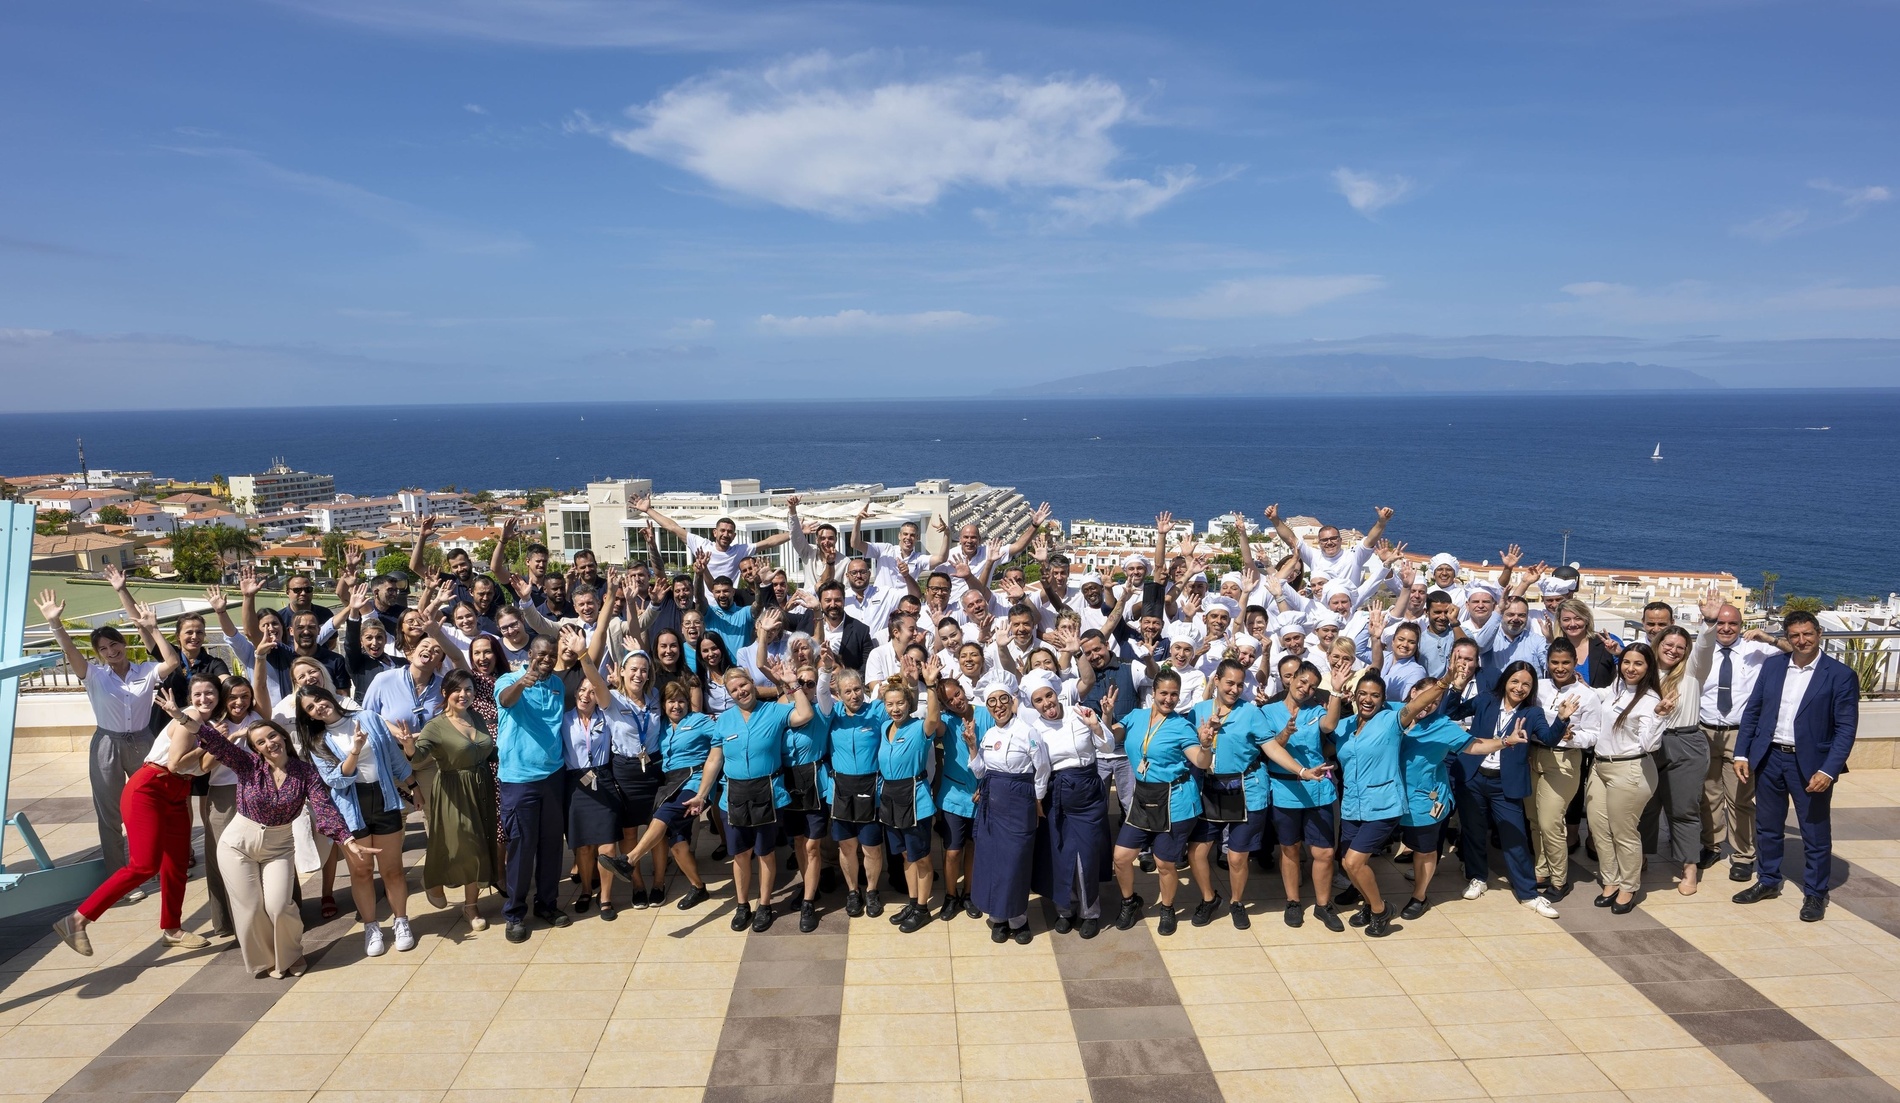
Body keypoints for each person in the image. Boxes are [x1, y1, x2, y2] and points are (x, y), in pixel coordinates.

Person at [195, 718, 370, 977]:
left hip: (278, 845)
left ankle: (290, 954)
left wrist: (346, 839)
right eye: (260, 742)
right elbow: (218, 744)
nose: (269, 743)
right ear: (255, 749)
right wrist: (182, 717)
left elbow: (324, 807)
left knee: (279, 906)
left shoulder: (305, 772)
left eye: (272, 736)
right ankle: (266, 959)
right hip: (238, 844)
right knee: (250, 908)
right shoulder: (247, 765)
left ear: (283, 736)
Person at [51, 678, 212, 957]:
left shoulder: (212, 726)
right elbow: (176, 763)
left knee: (176, 865)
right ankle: (77, 920)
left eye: (210, 692)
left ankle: (172, 930)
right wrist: (213, 744)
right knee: (144, 865)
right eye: (198, 693)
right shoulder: (192, 717)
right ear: (190, 696)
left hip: (177, 791)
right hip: (150, 788)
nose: (204, 698)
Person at [37, 584, 180, 889]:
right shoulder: (94, 675)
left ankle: (151, 868)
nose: (111, 651)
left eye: (114, 644)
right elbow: (70, 651)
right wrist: (55, 623)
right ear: (98, 652)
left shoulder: (146, 670)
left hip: (143, 742)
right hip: (106, 745)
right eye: (103, 648)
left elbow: (173, 663)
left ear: (123, 643)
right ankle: (119, 879)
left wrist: (153, 629)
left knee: (147, 808)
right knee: (110, 814)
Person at [1733, 611, 1859, 922]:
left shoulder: (1840, 675)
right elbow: (1753, 712)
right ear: (1787, 637)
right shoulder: (1774, 666)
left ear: (1819, 634)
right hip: (1769, 758)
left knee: (1814, 831)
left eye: (1807, 634)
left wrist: (1829, 770)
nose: (1801, 641)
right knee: (1768, 826)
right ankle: (1768, 880)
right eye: (1795, 635)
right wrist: (1741, 754)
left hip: (1812, 765)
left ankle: (1815, 893)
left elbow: (1846, 728)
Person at [1393, 677, 1533, 919]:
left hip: (1424, 798)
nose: (1429, 705)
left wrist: (1506, 741)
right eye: (1426, 698)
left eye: (1436, 701)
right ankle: (1357, 888)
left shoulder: (1443, 725)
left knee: (1424, 851)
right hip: (1386, 793)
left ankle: (1419, 896)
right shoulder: (1392, 712)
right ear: (1413, 691)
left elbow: (1475, 746)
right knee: (1365, 845)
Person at [298, 685, 419, 955]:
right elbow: (336, 780)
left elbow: (392, 756)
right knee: (361, 872)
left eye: (319, 698)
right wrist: (354, 750)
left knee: (393, 870)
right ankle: (371, 927)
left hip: (385, 797)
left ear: (329, 696)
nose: (318, 706)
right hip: (351, 807)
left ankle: (401, 921)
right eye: (310, 707)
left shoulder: (368, 718)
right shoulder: (317, 742)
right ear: (310, 716)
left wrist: (413, 784)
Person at [1325, 669, 1446, 937]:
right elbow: (1326, 729)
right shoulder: (1344, 726)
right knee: (1347, 863)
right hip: (1352, 805)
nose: (1368, 699)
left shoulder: (1392, 721)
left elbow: (1417, 704)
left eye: (1375, 695)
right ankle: (1369, 904)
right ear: (1355, 696)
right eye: (1363, 694)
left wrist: (1446, 681)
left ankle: (1380, 910)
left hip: (1383, 805)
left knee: (1355, 862)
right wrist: (1334, 691)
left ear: (1383, 699)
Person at [1446, 660, 1566, 919]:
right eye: (1515, 681)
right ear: (1505, 681)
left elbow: (1548, 738)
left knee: (1515, 838)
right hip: (1474, 776)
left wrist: (1562, 720)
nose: (1519, 688)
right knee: (1473, 830)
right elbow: (1451, 712)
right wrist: (1456, 687)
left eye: (1526, 684)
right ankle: (1477, 877)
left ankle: (1529, 893)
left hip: (1505, 783)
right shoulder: (1486, 700)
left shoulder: (1532, 713)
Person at [701, 662, 816, 932]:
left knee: (765, 853)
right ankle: (743, 905)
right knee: (740, 854)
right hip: (734, 794)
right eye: (734, 689)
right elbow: (714, 760)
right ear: (729, 694)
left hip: (768, 791)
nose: (741, 691)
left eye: (744, 685)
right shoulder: (724, 720)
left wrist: (792, 684)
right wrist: (701, 794)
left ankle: (764, 905)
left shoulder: (774, 711)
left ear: (753, 685)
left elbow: (805, 714)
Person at [1110, 670, 1215, 935]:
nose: (1169, 699)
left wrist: (1205, 744)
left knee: (1165, 863)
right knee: (1121, 857)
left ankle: (1167, 908)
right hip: (1144, 797)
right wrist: (1106, 715)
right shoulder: (1136, 717)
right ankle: (1129, 901)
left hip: (1176, 798)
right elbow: (1112, 736)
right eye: (1164, 693)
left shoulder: (1182, 726)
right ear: (1153, 694)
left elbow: (1201, 763)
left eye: (1174, 694)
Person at [494, 632, 580, 943]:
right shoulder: (508, 680)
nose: (546, 660)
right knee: (521, 847)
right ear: (531, 654)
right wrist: (522, 682)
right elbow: (505, 700)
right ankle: (515, 913)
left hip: (552, 776)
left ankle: (547, 903)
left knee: (551, 845)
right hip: (518, 780)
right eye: (541, 654)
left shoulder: (557, 685)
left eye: (551, 655)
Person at [602, 681, 715, 911]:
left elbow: (723, 738)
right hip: (670, 783)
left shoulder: (700, 721)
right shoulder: (661, 726)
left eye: (681, 701)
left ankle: (629, 860)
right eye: (671, 701)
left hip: (693, 781)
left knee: (662, 815)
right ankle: (698, 887)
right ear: (663, 705)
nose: (677, 706)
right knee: (677, 844)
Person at [1025, 668, 1113, 937]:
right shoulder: (1035, 729)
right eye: (1038, 700)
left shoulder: (1080, 714)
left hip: (1087, 791)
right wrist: (1039, 798)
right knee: (1060, 854)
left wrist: (1095, 726)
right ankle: (1065, 909)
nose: (1046, 704)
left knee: (1086, 854)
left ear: (1056, 693)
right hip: (1056, 793)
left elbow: (1107, 747)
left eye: (1048, 696)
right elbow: (1039, 768)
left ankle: (1090, 912)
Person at [409, 671, 500, 930]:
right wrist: (408, 746)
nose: (464, 695)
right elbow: (417, 759)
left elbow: (487, 750)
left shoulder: (478, 718)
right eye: (457, 690)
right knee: (462, 845)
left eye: (469, 689)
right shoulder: (435, 726)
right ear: (445, 693)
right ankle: (434, 881)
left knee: (480, 846)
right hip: (453, 790)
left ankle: (471, 905)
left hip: (481, 786)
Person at [1700, 599, 1783, 883]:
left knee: (1741, 798)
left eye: (1732, 623)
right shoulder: (1702, 648)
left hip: (1741, 734)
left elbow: (1798, 652)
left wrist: (1769, 637)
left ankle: (1743, 855)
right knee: (1708, 794)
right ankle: (1711, 845)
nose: (1726, 628)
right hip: (1704, 731)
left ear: (1741, 625)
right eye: (1720, 622)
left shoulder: (1756, 649)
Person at [968, 674, 1051, 944]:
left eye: (1003, 699)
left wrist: (1037, 799)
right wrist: (971, 747)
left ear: (1012, 701)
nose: (998, 706)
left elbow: (1042, 768)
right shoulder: (989, 734)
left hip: (1020, 801)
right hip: (993, 803)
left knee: (1015, 862)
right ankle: (998, 918)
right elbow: (982, 771)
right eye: (992, 703)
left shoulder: (1028, 731)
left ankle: (1019, 918)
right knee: (992, 863)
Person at [1259, 662, 1341, 930]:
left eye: (1312, 686)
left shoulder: (1316, 711)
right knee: (1290, 849)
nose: (1305, 688)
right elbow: (1271, 747)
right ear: (1291, 678)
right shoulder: (1268, 712)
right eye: (1302, 681)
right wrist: (1285, 733)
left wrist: (1336, 693)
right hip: (1285, 791)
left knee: (1324, 853)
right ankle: (1293, 902)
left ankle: (1322, 905)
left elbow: (1329, 726)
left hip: (1318, 790)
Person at [1589, 644, 1665, 914]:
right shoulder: (1615, 689)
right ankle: (1610, 880)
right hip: (1600, 767)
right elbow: (1597, 695)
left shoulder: (1651, 700)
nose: (1631, 668)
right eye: (1626, 662)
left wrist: (1658, 717)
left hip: (1630, 770)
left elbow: (1649, 744)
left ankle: (1629, 886)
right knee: (1599, 828)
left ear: (1648, 668)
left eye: (1638, 664)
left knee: (1624, 833)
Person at [1532, 639, 1603, 900]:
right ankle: (1541, 870)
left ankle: (1560, 878)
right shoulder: (1537, 688)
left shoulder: (1588, 695)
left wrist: (1571, 738)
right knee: (1534, 819)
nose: (1560, 668)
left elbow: (1594, 734)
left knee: (1551, 821)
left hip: (1564, 760)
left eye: (1566, 663)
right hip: (1533, 755)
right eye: (1554, 662)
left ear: (1575, 663)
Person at [875, 669, 946, 932]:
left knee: (922, 857)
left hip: (914, 797)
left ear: (909, 704)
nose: (895, 709)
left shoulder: (919, 728)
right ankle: (913, 901)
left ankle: (923, 909)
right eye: (890, 704)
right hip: (890, 796)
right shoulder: (884, 728)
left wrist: (929, 684)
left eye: (900, 703)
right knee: (906, 856)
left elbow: (934, 717)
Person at [1651, 618, 1717, 895]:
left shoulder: (1692, 670)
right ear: (1657, 645)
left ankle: (1690, 867)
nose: (1674, 650)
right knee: (1646, 807)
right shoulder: (1644, 671)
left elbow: (1704, 647)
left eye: (1680, 647)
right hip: (1650, 744)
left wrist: (1710, 623)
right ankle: (1640, 858)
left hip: (1686, 743)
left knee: (1684, 809)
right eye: (1668, 644)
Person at [816, 661, 888, 917]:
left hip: (871, 785)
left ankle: (872, 890)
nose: (854, 695)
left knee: (871, 847)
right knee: (846, 847)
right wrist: (824, 672)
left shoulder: (876, 710)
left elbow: (901, 706)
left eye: (857, 689)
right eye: (848, 691)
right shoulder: (832, 713)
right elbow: (821, 693)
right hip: (841, 787)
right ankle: (853, 891)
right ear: (839, 694)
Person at [560, 656, 628, 919]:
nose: (586, 695)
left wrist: (617, 684)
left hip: (603, 779)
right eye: (581, 690)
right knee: (584, 846)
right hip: (576, 784)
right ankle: (587, 890)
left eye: (592, 691)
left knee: (608, 845)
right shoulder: (564, 719)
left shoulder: (606, 717)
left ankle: (607, 898)